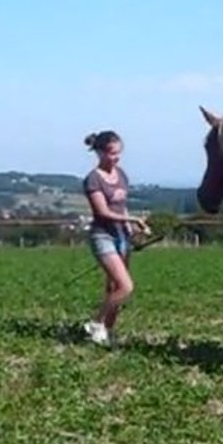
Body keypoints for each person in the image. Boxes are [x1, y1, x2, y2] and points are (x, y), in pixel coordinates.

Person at [81, 130, 150, 346]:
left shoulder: (121, 175)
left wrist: (132, 230)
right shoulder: (93, 180)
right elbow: (102, 212)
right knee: (125, 286)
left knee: (113, 288)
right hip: (103, 236)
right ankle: (96, 323)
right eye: (112, 153)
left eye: (119, 153)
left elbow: (121, 206)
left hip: (121, 236)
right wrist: (131, 219)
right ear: (100, 153)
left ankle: (107, 333)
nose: (116, 157)